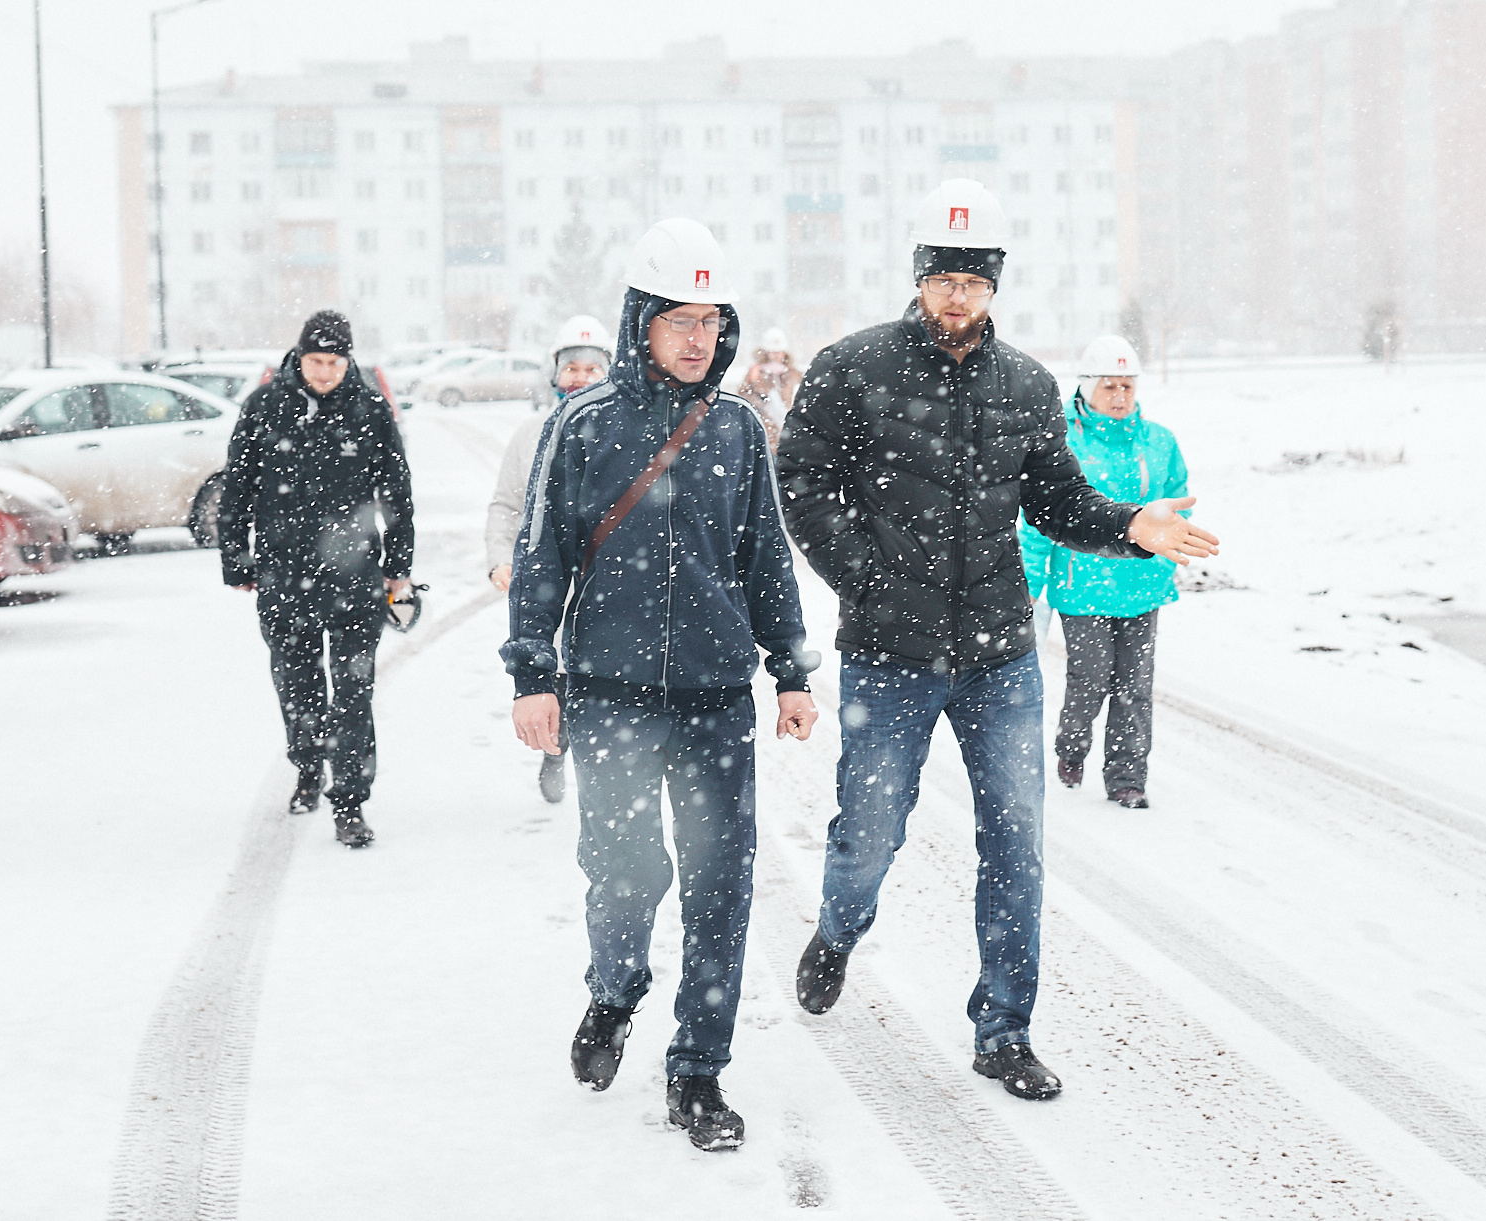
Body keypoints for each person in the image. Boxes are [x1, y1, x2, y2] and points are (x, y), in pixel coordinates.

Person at [774, 180, 1217, 1101]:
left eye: (974, 278)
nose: (958, 294)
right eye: (943, 275)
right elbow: (804, 482)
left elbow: (1056, 497)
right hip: (889, 657)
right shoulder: (852, 369)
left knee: (1016, 845)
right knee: (870, 834)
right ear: (919, 276)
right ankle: (839, 926)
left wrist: (1130, 523)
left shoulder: (1025, 384)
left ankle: (1004, 1028)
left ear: (995, 284)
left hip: (1000, 656)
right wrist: (865, 575)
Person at [502, 218, 820, 1152]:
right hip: (609, 697)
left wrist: (791, 671)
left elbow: (767, 562)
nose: (698, 337)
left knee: (722, 885)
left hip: (717, 698)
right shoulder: (583, 425)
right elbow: (540, 559)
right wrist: (533, 676)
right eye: (678, 317)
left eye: (712, 320)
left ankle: (698, 1072)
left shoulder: (737, 431)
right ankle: (615, 988)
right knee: (626, 873)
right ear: (641, 319)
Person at [219, 310, 415, 848]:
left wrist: (399, 570)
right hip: (285, 576)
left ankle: (349, 800)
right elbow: (236, 487)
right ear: (298, 358)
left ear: (348, 361)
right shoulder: (265, 408)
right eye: (315, 361)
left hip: (356, 578)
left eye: (334, 362)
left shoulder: (369, 410)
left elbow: (396, 496)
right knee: (297, 685)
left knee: (353, 692)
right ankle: (308, 766)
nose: (324, 373)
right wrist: (236, 558)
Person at [1020, 335, 1189, 810]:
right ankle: (1071, 750)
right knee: (1089, 680)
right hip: (1082, 587)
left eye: (1127, 387)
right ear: (1087, 387)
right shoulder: (1063, 441)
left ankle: (1127, 779)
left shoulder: (1159, 442)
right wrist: (1031, 583)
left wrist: (1174, 546)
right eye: (1109, 386)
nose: (1119, 396)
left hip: (1143, 585)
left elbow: (1177, 500)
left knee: (1136, 687)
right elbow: (1036, 520)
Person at [484, 315, 617, 803]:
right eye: (571, 368)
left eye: (591, 368)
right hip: (547, 576)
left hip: (608, 579)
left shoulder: (625, 433)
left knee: (605, 677)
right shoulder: (530, 434)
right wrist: (501, 558)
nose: (580, 377)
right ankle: (556, 749)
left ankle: (603, 766)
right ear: (554, 374)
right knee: (553, 667)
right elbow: (506, 505)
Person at [733, 326, 803, 449]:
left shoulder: (794, 374)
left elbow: (803, 398)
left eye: (779, 352)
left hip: (790, 431)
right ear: (765, 352)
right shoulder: (756, 372)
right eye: (772, 351)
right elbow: (743, 394)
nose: (776, 355)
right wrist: (760, 402)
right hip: (765, 430)